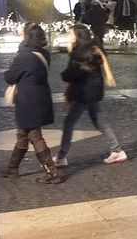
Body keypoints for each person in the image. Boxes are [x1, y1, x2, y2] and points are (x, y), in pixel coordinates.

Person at [0, 23, 61, 183]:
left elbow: (10, 77)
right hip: (41, 97)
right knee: (23, 134)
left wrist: (7, 72)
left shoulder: (24, 57)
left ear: (27, 37)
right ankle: (12, 168)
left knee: (35, 135)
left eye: (22, 34)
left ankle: (51, 172)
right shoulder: (44, 54)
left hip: (28, 101)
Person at [55, 24, 126, 167]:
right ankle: (117, 150)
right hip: (91, 92)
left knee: (69, 123)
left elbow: (72, 73)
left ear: (78, 35)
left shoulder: (81, 52)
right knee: (99, 121)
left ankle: (61, 156)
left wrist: (65, 74)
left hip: (85, 93)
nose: (69, 36)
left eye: (71, 34)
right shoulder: (91, 48)